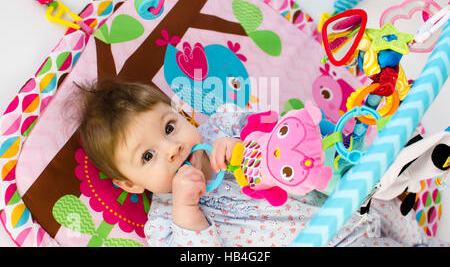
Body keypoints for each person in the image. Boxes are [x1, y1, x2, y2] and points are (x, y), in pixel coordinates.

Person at [76, 78, 447, 247]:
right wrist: (188, 211)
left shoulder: (223, 125)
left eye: (170, 127)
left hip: (349, 204)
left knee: (392, 210)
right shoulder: (165, 225)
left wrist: (243, 141)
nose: (171, 149)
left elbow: (284, 132)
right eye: (147, 156)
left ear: (185, 116)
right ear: (130, 184)